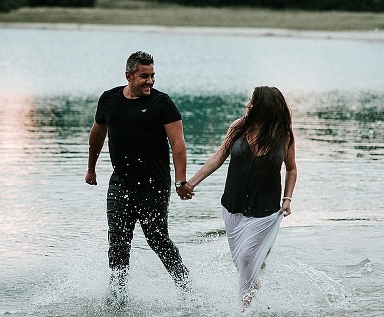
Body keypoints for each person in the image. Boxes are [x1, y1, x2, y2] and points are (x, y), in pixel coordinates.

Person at [85, 51, 193, 303]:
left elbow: (178, 144)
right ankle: (117, 296)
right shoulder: (109, 99)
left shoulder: (162, 104)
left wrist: (180, 181)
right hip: (120, 185)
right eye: (144, 76)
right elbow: (97, 134)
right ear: (129, 76)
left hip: (154, 187)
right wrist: (91, 168)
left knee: (157, 240)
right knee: (118, 242)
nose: (150, 81)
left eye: (152, 75)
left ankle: (186, 287)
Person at [188, 86, 297, 311]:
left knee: (247, 256)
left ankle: (244, 309)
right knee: (241, 261)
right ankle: (254, 287)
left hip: (265, 211)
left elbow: (291, 168)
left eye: (252, 101)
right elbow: (218, 157)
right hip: (233, 206)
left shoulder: (284, 136)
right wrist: (191, 183)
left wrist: (287, 198)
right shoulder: (238, 128)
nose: (248, 105)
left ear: (264, 107)